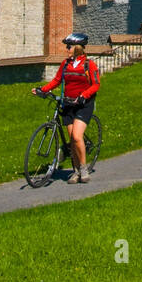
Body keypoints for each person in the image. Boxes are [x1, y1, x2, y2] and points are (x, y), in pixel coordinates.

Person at [33, 32, 100, 183]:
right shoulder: (65, 64)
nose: (66, 49)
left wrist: (84, 95)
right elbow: (57, 80)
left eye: (69, 46)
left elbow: (96, 84)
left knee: (77, 136)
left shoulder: (89, 64)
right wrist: (42, 90)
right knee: (72, 140)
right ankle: (76, 171)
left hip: (83, 104)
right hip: (68, 104)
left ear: (77, 48)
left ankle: (83, 168)